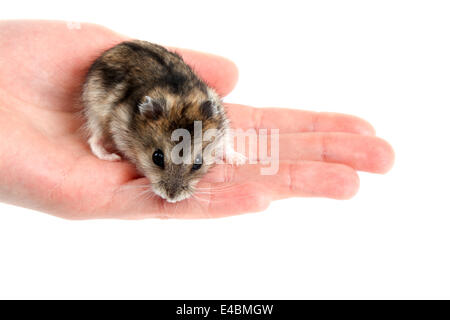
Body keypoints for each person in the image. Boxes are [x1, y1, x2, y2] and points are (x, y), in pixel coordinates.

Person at [0, 20, 394, 219]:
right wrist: (104, 139)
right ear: (146, 124)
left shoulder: (211, 120)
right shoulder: (141, 115)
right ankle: (93, 141)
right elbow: (120, 118)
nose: (172, 189)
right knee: (103, 123)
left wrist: (228, 151)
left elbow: (219, 131)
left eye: (195, 164)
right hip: (119, 79)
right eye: (159, 161)